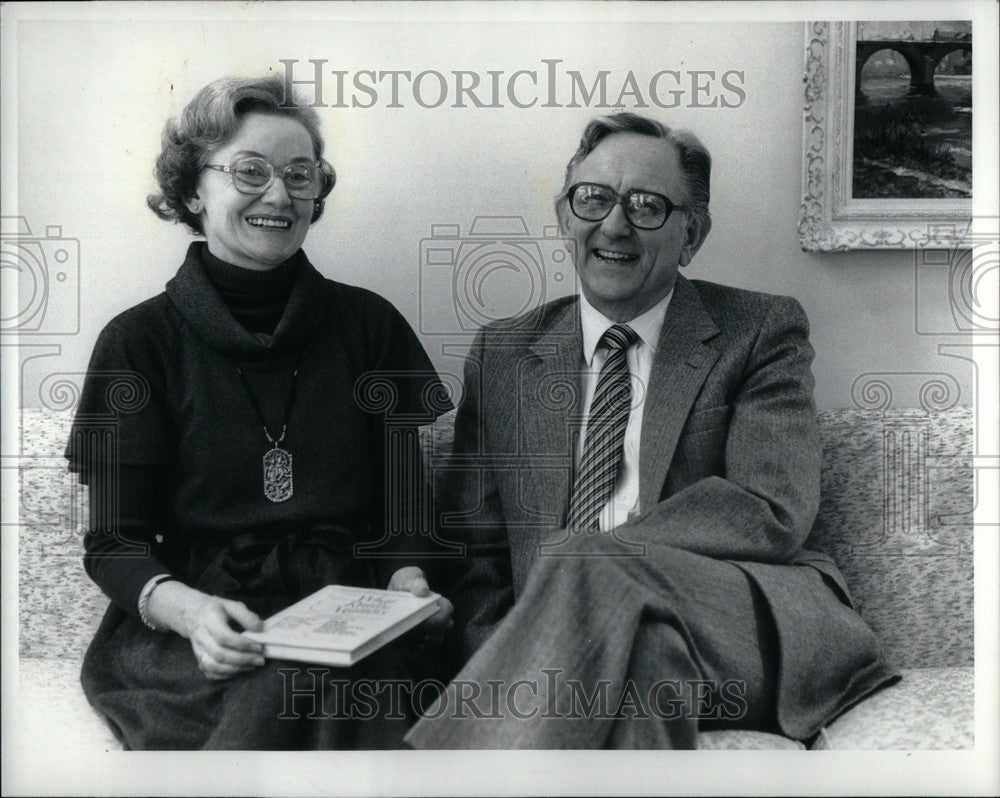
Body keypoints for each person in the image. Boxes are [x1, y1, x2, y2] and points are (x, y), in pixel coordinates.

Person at [404, 113, 899, 749]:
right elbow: (473, 557)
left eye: (647, 206)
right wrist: (528, 644)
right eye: (594, 199)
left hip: (743, 625)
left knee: (588, 561)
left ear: (691, 234)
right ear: (564, 216)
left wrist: (595, 562)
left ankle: (432, 778)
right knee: (646, 664)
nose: (614, 225)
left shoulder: (760, 331)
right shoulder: (503, 353)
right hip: (594, 645)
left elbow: (771, 510)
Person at [65, 75, 454, 750]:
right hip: (205, 624)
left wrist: (409, 584)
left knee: (358, 682)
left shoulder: (370, 326)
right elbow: (114, 544)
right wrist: (190, 614)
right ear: (191, 189)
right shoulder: (137, 343)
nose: (279, 195)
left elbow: (404, 519)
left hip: (349, 614)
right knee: (282, 684)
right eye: (250, 171)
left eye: (300, 175)